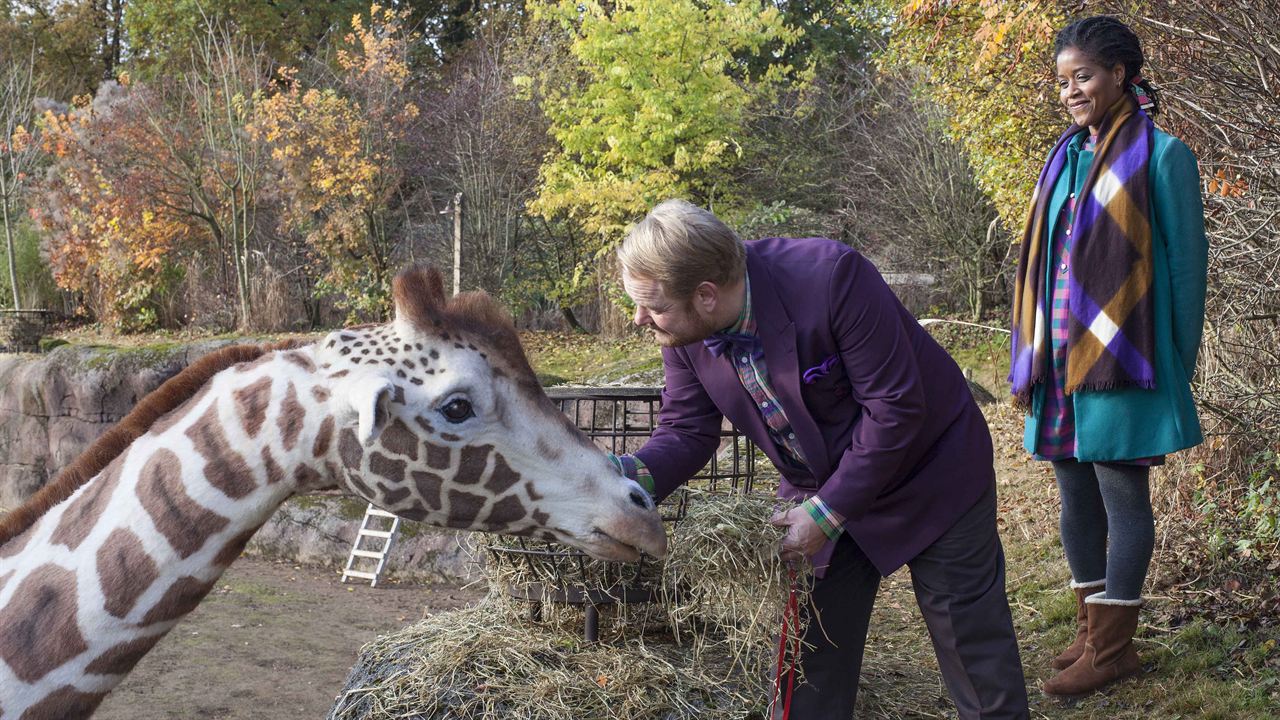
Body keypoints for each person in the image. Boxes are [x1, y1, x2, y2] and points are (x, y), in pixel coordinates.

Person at [611, 198, 1029, 719]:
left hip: (931, 472)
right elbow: (686, 430)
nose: (638, 319)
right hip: (818, 488)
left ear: (706, 294)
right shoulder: (683, 329)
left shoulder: (831, 278)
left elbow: (895, 407)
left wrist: (827, 512)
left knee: (968, 639)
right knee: (807, 658)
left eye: (651, 306)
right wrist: (619, 481)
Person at [1009, 16, 1208, 697]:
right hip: (1060, 361)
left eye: (1083, 76)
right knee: (1074, 495)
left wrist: (1177, 362)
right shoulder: (1062, 158)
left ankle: (1116, 648)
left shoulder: (1164, 157)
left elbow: (1186, 272)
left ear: (1121, 73)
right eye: (1062, 81)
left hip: (1127, 361)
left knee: (1122, 500)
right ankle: (1091, 630)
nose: (1070, 91)